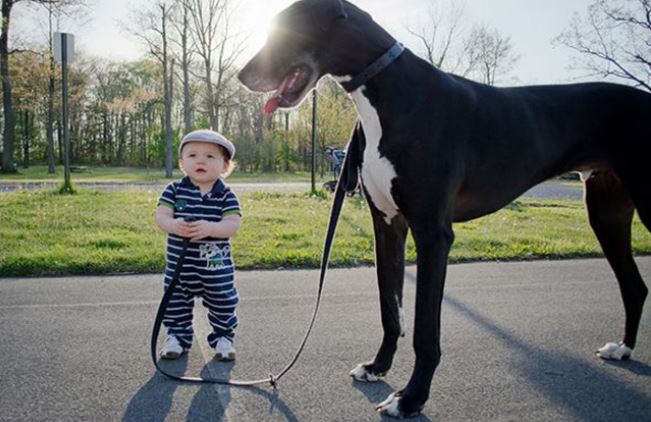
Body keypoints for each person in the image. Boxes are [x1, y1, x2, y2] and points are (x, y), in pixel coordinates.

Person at [155, 129, 242, 361]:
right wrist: (173, 225)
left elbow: (233, 224)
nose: (200, 160)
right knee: (174, 302)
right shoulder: (174, 190)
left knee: (223, 301)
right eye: (192, 156)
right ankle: (176, 337)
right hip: (180, 267)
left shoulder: (226, 195)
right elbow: (161, 217)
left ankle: (224, 338)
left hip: (215, 267)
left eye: (210, 156)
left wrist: (211, 229)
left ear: (225, 166)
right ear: (183, 164)